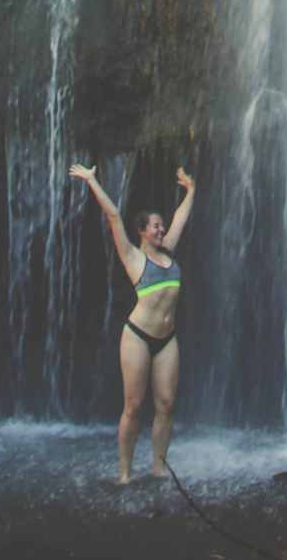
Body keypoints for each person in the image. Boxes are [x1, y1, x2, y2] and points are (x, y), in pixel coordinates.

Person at [69, 161, 195, 483]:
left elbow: (181, 217)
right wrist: (91, 181)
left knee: (166, 404)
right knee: (133, 406)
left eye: (161, 225)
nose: (161, 229)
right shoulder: (133, 257)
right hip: (137, 336)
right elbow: (113, 215)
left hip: (167, 338)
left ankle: (158, 466)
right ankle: (124, 472)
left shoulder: (169, 252)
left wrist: (190, 191)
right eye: (154, 226)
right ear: (141, 230)